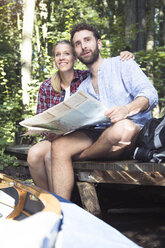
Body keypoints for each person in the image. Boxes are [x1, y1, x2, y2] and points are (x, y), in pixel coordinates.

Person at [50, 22, 158, 200]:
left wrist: (126, 109)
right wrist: (58, 129)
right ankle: (62, 210)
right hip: (100, 133)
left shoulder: (123, 64)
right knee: (58, 146)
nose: (83, 46)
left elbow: (150, 95)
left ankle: (79, 157)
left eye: (87, 40)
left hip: (133, 134)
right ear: (76, 52)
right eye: (77, 44)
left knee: (124, 128)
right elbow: (78, 121)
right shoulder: (83, 88)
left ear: (98, 43)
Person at [27, 39, 134, 192]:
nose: (62, 58)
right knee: (34, 154)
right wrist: (49, 131)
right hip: (56, 137)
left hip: (81, 136)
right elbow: (41, 118)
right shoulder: (46, 86)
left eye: (66, 54)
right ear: (54, 60)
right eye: (58, 55)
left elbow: (104, 68)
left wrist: (123, 56)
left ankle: (61, 202)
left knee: (51, 155)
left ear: (75, 58)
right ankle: (48, 199)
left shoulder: (86, 78)